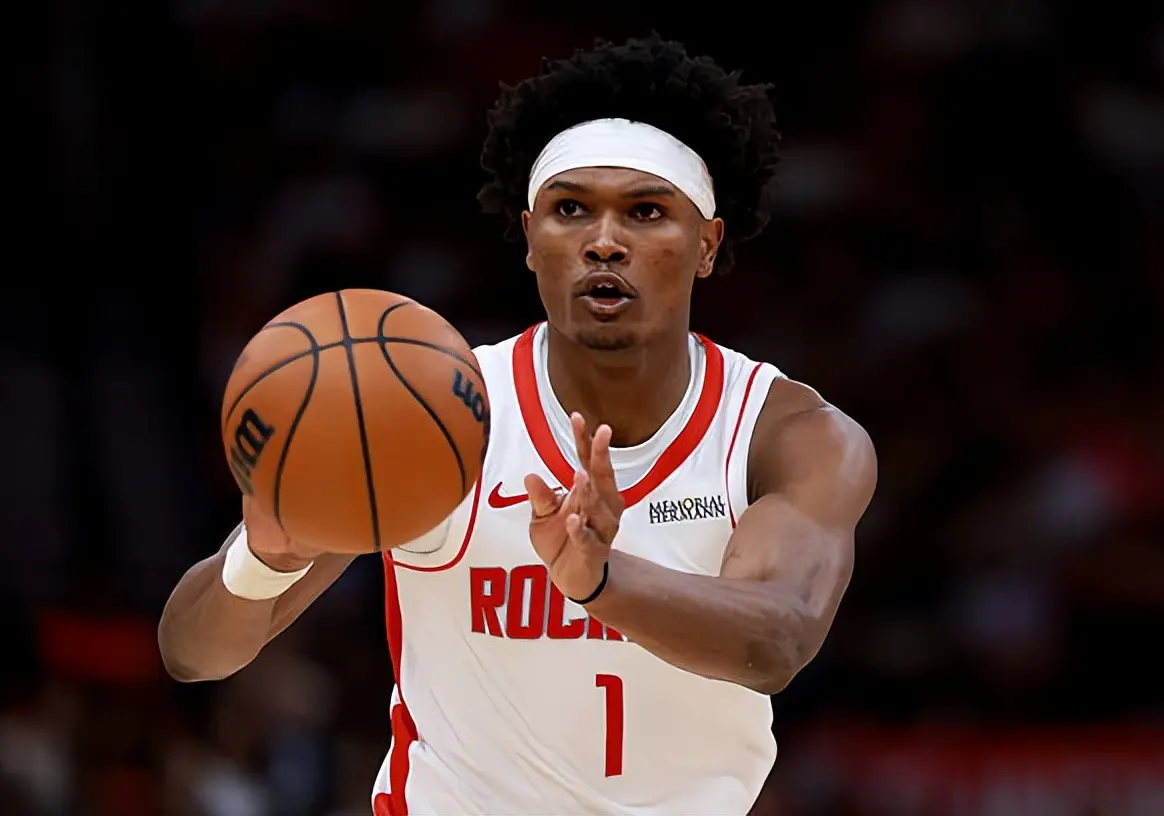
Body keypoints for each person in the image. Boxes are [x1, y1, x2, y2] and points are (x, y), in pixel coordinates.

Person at [158, 33, 877, 816]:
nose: (605, 242)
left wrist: (601, 581)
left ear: (707, 243)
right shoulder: (435, 413)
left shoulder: (785, 434)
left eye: (645, 212)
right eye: (571, 210)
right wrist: (262, 560)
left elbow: (780, 638)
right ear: (531, 238)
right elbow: (193, 653)